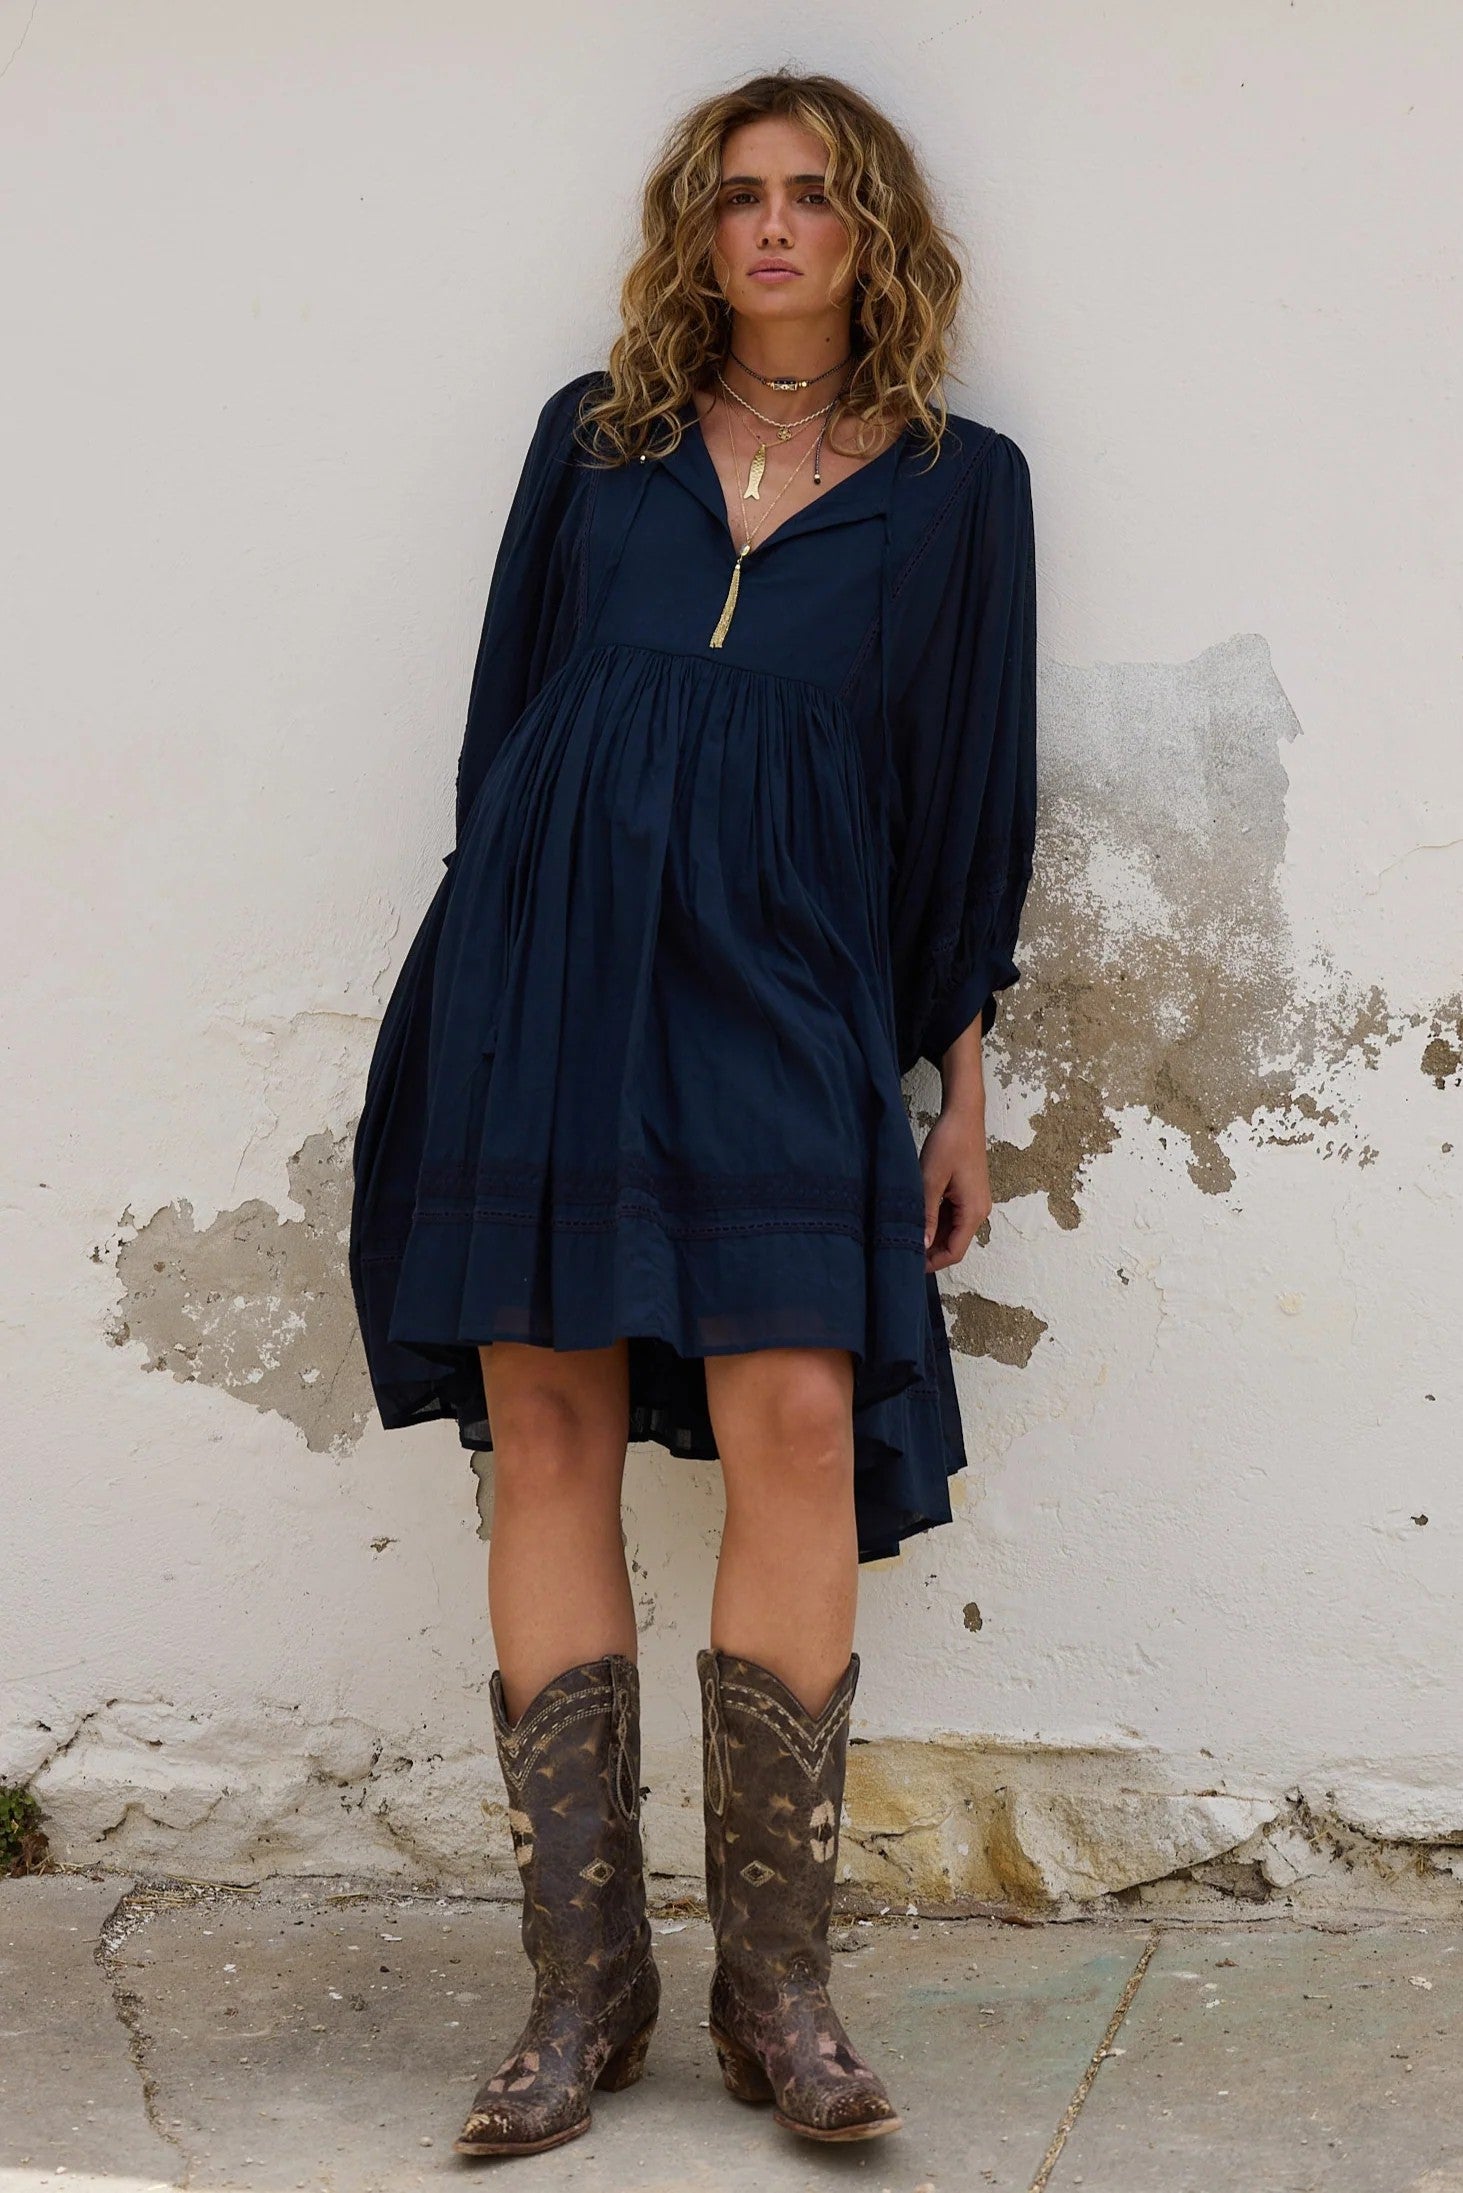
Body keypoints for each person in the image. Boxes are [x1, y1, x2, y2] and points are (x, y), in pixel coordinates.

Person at [348, 66, 1038, 2159]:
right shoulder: (596, 441)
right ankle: (583, 1985)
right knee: (544, 1419)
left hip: (788, 985)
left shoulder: (961, 486)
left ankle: (776, 1991)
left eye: (816, 195)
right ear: (698, 228)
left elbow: (965, 796)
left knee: (798, 1415)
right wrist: (476, 987)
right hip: (546, 971)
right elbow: (500, 731)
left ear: (874, 232)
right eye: (740, 195)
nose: (775, 227)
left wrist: (956, 1077)